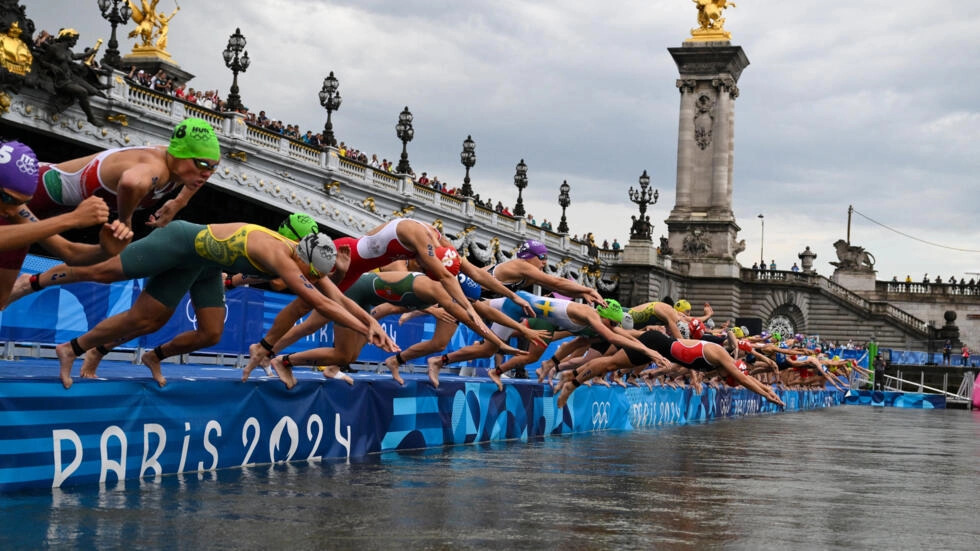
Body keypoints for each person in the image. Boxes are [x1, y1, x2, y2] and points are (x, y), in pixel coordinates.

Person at [6, 223, 397, 389]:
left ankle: (106, 353)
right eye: (312, 274)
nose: (313, 279)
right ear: (305, 261)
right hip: (179, 242)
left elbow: (337, 296)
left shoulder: (307, 257)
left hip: (205, 265)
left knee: (209, 332)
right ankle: (34, 281)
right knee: (107, 273)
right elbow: (317, 301)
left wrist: (369, 323)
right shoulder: (280, 256)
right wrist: (366, 328)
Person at [242, 218, 536, 377]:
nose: (423, 268)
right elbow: (455, 292)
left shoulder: (441, 245)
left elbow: (475, 274)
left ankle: (271, 352)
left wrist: (513, 297)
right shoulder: (425, 250)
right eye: (427, 266)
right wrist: (493, 338)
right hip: (344, 258)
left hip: (355, 272)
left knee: (321, 324)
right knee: (299, 298)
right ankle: (264, 344)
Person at [0, 141, 133, 307]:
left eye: (22, 202)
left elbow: (70, 252)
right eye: (7, 198)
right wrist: (72, 219)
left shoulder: (14, 209)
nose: (10, 212)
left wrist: (105, 251)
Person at [28, 117, 219, 231]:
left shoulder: (184, 170)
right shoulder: (156, 168)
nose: (207, 174)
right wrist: (125, 220)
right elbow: (131, 183)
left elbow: (197, 172)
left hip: (52, 207)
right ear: (180, 154)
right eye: (203, 164)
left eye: (214, 167)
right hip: (32, 189)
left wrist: (179, 202)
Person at [556, 329, 786, 409]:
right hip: (656, 343)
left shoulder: (725, 364)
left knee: (611, 361)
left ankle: (571, 377)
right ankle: (571, 382)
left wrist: (768, 391)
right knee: (610, 362)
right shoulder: (723, 358)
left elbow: (747, 379)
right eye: (728, 379)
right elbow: (745, 380)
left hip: (659, 344)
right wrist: (769, 395)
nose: (725, 380)